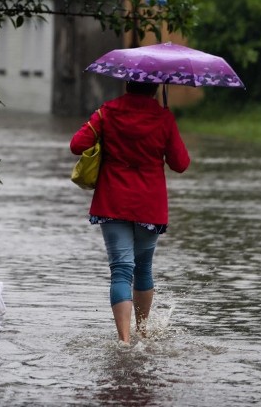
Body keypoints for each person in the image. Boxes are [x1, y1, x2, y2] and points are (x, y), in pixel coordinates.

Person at [70, 80, 190, 346]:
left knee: (121, 270)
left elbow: (77, 145)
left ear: (127, 83)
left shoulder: (106, 112)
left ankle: (124, 340)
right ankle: (143, 333)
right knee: (143, 268)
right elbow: (180, 164)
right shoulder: (163, 117)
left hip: (112, 200)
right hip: (150, 204)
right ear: (156, 87)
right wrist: (165, 126)